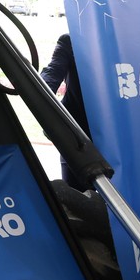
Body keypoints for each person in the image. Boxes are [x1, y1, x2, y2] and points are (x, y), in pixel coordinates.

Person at [39, 33, 91, 191]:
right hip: (78, 135)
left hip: (121, 138)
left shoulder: (130, 41)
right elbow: (52, 72)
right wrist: (38, 89)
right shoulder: (71, 40)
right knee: (79, 198)